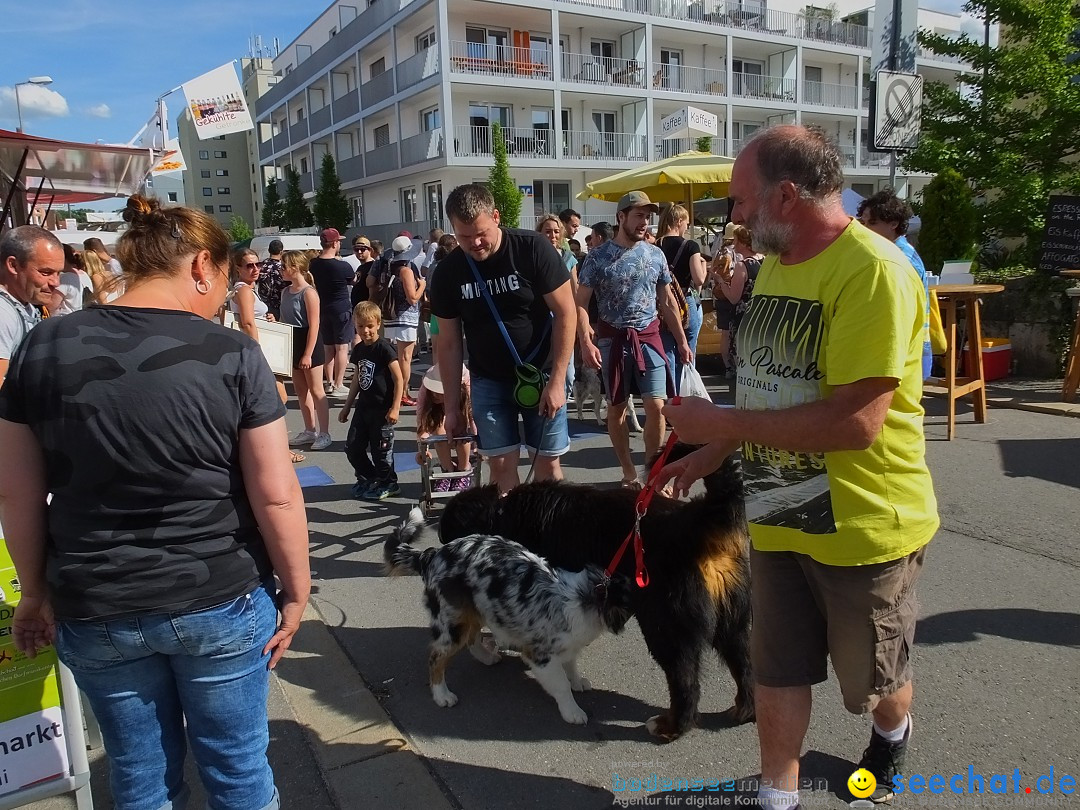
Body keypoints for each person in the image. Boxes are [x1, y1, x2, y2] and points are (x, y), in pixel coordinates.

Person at [0, 195, 311, 810]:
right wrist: (297, 590)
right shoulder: (232, 354)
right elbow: (276, 494)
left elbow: (16, 490)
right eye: (222, 280)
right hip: (217, 594)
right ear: (201, 266)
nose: (221, 296)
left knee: (140, 775)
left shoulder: (43, 347)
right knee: (238, 769)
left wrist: (34, 592)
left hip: (95, 599)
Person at [658, 125, 937, 809]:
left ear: (786, 194)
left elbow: (857, 423)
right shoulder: (778, 262)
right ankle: (776, 799)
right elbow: (770, 388)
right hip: (781, 507)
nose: (735, 216)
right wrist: (712, 454)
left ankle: (892, 735)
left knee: (870, 682)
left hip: (864, 524)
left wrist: (720, 425)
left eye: (741, 200)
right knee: (774, 668)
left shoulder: (875, 271)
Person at [429, 183, 576, 493]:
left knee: (547, 466)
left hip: (541, 374)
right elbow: (449, 342)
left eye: (481, 233)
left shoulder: (532, 247)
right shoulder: (448, 272)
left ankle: (548, 536)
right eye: (464, 237)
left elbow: (566, 313)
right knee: (500, 466)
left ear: (496, 216)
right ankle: (509, 535)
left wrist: (558, 380)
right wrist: (453, 408)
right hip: (489, 381)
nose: (475, 243)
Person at [577, 191, 691, 489]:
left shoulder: (656, 254)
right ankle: (628, 472)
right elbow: (580, 302)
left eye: (648, 216)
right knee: (616, 408)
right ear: (621, 217)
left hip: (649, 335)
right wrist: (585, 341)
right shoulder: (597, 257)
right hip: (612, 340)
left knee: (657, 406)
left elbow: (666, 302)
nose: (645, 222)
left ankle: (653, 472)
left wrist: (681, 341)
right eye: (639, 215)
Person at [857, 189, 933, 380]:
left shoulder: (901, 259)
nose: (865, 229)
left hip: (908, 347)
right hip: (900, 345)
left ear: (894, 223)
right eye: (863, 223)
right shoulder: (888, 252)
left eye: (872, 223)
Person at [338, 301, 403, 500]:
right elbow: (357, 378)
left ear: (378, 324)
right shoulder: (358, 349)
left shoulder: (384, 348)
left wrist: (395, 407)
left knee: (381, 451)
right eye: (360, 326)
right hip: (363, 408)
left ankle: (388, 482)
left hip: (382, 410)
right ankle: (368, 477)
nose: (366, 331)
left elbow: (399, 378)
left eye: (370, 326)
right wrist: (347, 407)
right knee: (352, 446)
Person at [279, 250, 331, 453]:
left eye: (284, 266)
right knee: (301, 391)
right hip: (292, 340)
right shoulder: (285, 292)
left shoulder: (309, 293)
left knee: (317, 389)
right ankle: (310, 429)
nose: (281, 270)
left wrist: (308, 353)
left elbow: (314, 325)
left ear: (295, 267)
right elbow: (285, 319)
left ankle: (324, 432)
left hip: (309, 342)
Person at [0, 226, 63, 386]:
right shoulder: (3, 313)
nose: (56, 283)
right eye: (46, 272)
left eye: (58, 273)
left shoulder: (26, 304)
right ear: (13, 265)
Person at [657, 203, 708, 388]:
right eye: (686, 223)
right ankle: (685, 396)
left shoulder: (655, 245)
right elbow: (699, 279)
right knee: (687, 352)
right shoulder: (690, 246)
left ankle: (671, 396)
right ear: (679, 222)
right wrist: (703, 265)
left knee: (667, 352)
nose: (687, 227)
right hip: (685, 303)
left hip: (660, 305)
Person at [380, 235, 426, 406]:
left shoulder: (389, 267)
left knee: (397, 358)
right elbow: (412, 299)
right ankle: (402, 393)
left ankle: (396, 391)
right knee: (405, 358)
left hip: (392, 316)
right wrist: (421, 285)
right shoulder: (405, 270)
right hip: (405, 317)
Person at [415, 365, 475, 493]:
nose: (435, 394)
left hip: (459, 405)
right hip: (439, 412)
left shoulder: (468, 387)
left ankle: (464, 469)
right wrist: (422, 448)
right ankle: (447, 468)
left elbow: (473, 417)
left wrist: (478, 443)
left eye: (439, 391)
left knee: (461, 428)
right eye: (434, 390)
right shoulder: (426, 390)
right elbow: (422, 418)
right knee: (437, 429)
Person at [310, 228, 355, 397]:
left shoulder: (313, 264)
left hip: (322, 307)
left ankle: (328, 382)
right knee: (342, 347)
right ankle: (338, 383)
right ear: (335, 243)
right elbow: (353, 281)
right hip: (341, 307)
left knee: (328, 347)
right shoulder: (342, 265)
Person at [715, 225, 764, 370]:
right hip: (760, 313)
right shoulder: (765, 261)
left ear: (743, 243)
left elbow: (733, 298)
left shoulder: (742, 266)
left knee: (743, 357)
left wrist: (721, 281)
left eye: (736, 241)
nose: (733, 244)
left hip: (744, 317)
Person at [424, 234, 458, 364]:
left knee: (437, 349)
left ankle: (436, 378)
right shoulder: (453, 265)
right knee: (452, 347)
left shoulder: (432, 266)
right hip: (451, 313)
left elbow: (428, 286)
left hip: (435, 310)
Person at [229, 248, 276, 336]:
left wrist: (267, 319)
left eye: (258, 264)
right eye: (250, 266)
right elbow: (248, 325)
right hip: (250, 343)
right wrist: (256, 348)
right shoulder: (244, 290)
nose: (255, 269)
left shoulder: (250, 288)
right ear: (238, 268)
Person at [257, 238, 288, 320]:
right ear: (281, 251)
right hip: (278, 304)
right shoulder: (283, 267)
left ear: (268, 250)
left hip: (263, 303)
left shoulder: (261, 265)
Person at [348, 236, 376, 312]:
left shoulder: (373, 266)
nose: (359, 252)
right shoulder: (361, 267)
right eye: (356, 249)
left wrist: (369, 308)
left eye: (363, 249)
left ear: (370, 250)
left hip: (367, 309)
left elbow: (373, 289)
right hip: (358, 308)